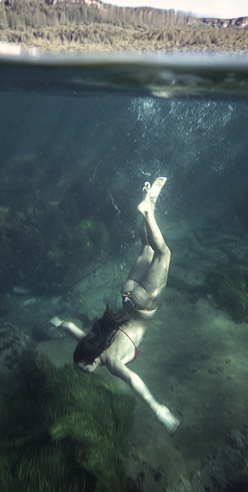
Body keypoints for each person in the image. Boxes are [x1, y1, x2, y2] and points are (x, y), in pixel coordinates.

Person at [50, 177, 180, 433]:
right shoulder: (89, 339)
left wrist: (157, 409)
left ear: (93, 360)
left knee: (164, 253)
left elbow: (133, 380)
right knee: (147, 247)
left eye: (84, 367)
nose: (85, 370)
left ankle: (147, 210)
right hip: (128, 294)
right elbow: (69, 327)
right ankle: (150, 201)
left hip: (143, 305)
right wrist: (57, 322)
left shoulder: (109, 361)